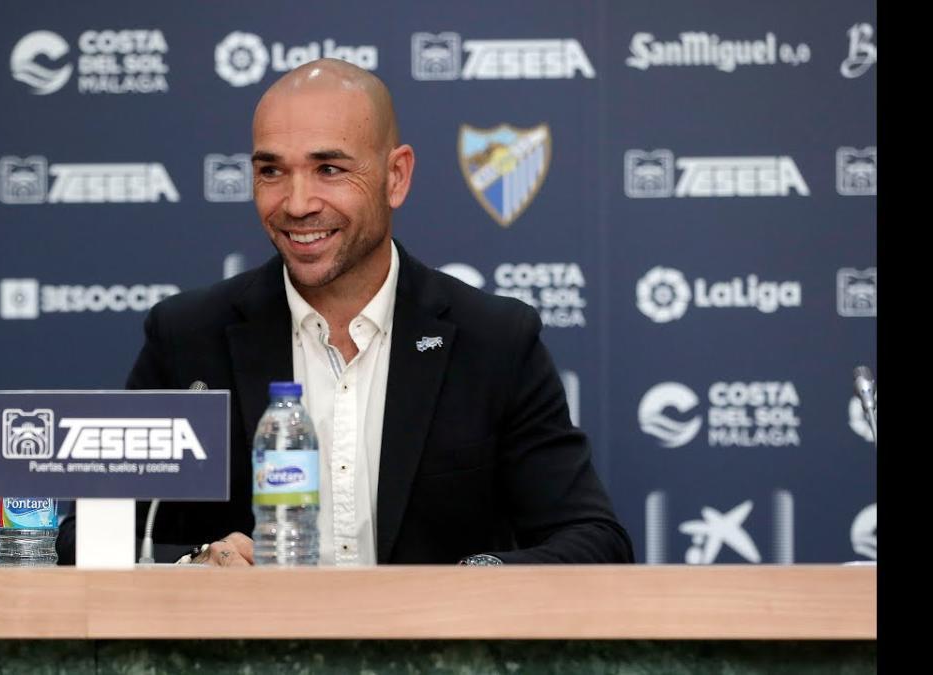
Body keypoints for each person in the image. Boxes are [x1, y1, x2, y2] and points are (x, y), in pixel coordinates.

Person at [57, 58, 633, 566]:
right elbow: (83, 540)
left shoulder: (495, 340)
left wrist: (468, 584)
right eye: (272, 171)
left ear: (395, 176)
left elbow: (593, 541)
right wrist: (198, 563)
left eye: (329, 169)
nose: (298, 203)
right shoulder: (187, 339)